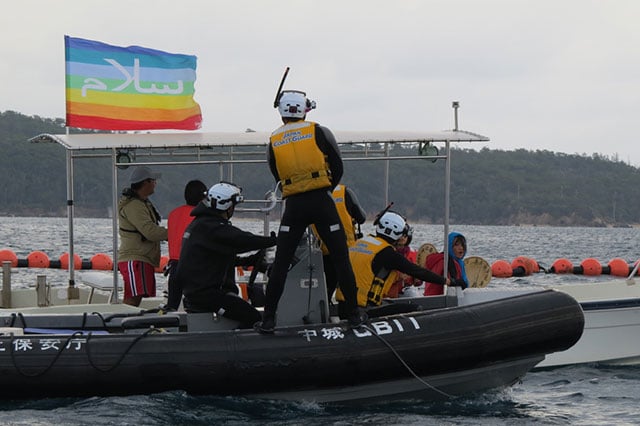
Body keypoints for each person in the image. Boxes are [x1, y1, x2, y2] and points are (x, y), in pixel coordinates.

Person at [255, 90, 366, 334]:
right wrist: (325, 189)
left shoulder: (274, 140)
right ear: (303, 110)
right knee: (340, 259)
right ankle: (354, 316)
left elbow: (276, 173)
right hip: (321, 201)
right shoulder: (319, 130)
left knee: (282, 262)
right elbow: (337, 166)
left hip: (294, 205)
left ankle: (269, 319)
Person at [172, 182, 277, 328]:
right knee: (252, 316)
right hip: (208, 296)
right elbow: (241, 239)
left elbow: (216, 259)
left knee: (244, 311)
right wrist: (275, 240)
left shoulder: (202, 224)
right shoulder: (212, 228)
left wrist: (252, 260)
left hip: (199, 294)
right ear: (226, 206)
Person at [336, 211, 465, 318]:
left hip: (343, 308)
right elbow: (418, 272)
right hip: (363, 310)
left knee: (388, 304)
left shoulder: (359, 243)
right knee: (416, 309)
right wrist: (449, 282)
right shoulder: (387, 253)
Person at [117, 166, 168, 306]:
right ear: (145, 183)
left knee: (136, 296)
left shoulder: (141, 203)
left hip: (141, 257)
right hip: (135, 258)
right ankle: (123, 323)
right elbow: (150, 231)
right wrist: (173, 233)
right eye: (153, 180)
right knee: (133, 297)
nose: (155, 183)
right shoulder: (134, 205)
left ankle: (125, 321)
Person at [311, 184, 366, 303]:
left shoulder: (310, 193)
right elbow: (361, 218)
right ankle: (351, 312)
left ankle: (323, 310)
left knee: (326, 287)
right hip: (348, 250)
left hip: (324, 251)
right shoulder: (344, 192)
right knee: (348, 284)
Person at [165, 179, 208, 310]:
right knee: (197, 305)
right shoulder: (201, 215)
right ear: (203, 197)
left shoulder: (173, 214)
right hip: (193, 266)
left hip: (174, 267)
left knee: (172, 305)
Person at [383, 224, 419, 298]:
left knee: (413, 294)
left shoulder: (413, 253)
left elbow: (417, 281)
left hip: (406, 289)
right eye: (401, 235)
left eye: (405, 236)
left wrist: (418, 279)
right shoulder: (386, 251)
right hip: (388, 290)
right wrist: (399, 276)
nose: (403, 238)